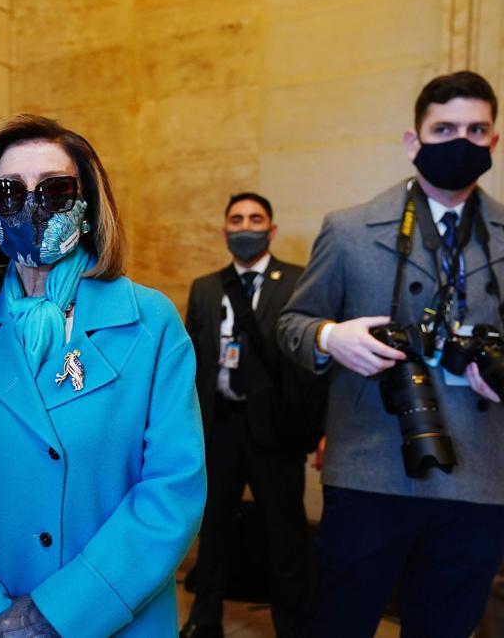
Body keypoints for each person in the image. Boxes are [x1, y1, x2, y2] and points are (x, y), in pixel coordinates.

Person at [0, 114, 206, 638]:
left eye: (54, 190)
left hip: (121, 620)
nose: (31, 206)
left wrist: (55, 613)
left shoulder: (151, 323)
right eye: (9, 191)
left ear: (88, 207)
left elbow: (172, 487)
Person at [278, 70, 504, 637]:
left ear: (494, 141)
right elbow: (291, 323)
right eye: (445, 127)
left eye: (477, 129)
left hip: (481, 475)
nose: (462, 141)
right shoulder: (350, 229)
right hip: (370, 469)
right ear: (414, 140)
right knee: (339, 624)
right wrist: (334, 338)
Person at [181, 193, 323, 638]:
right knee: (214, 529)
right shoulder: (205, 288)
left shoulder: (299, 282)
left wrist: (322, 431)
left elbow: (315, 367)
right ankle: (205, 620)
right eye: (237, 219)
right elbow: (190, 361)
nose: (246, 226)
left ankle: (292, 625)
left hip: (276, 430)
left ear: (272, 229)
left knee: (285, 536)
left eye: (255, 218)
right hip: (218, 427)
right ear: (225, 231)